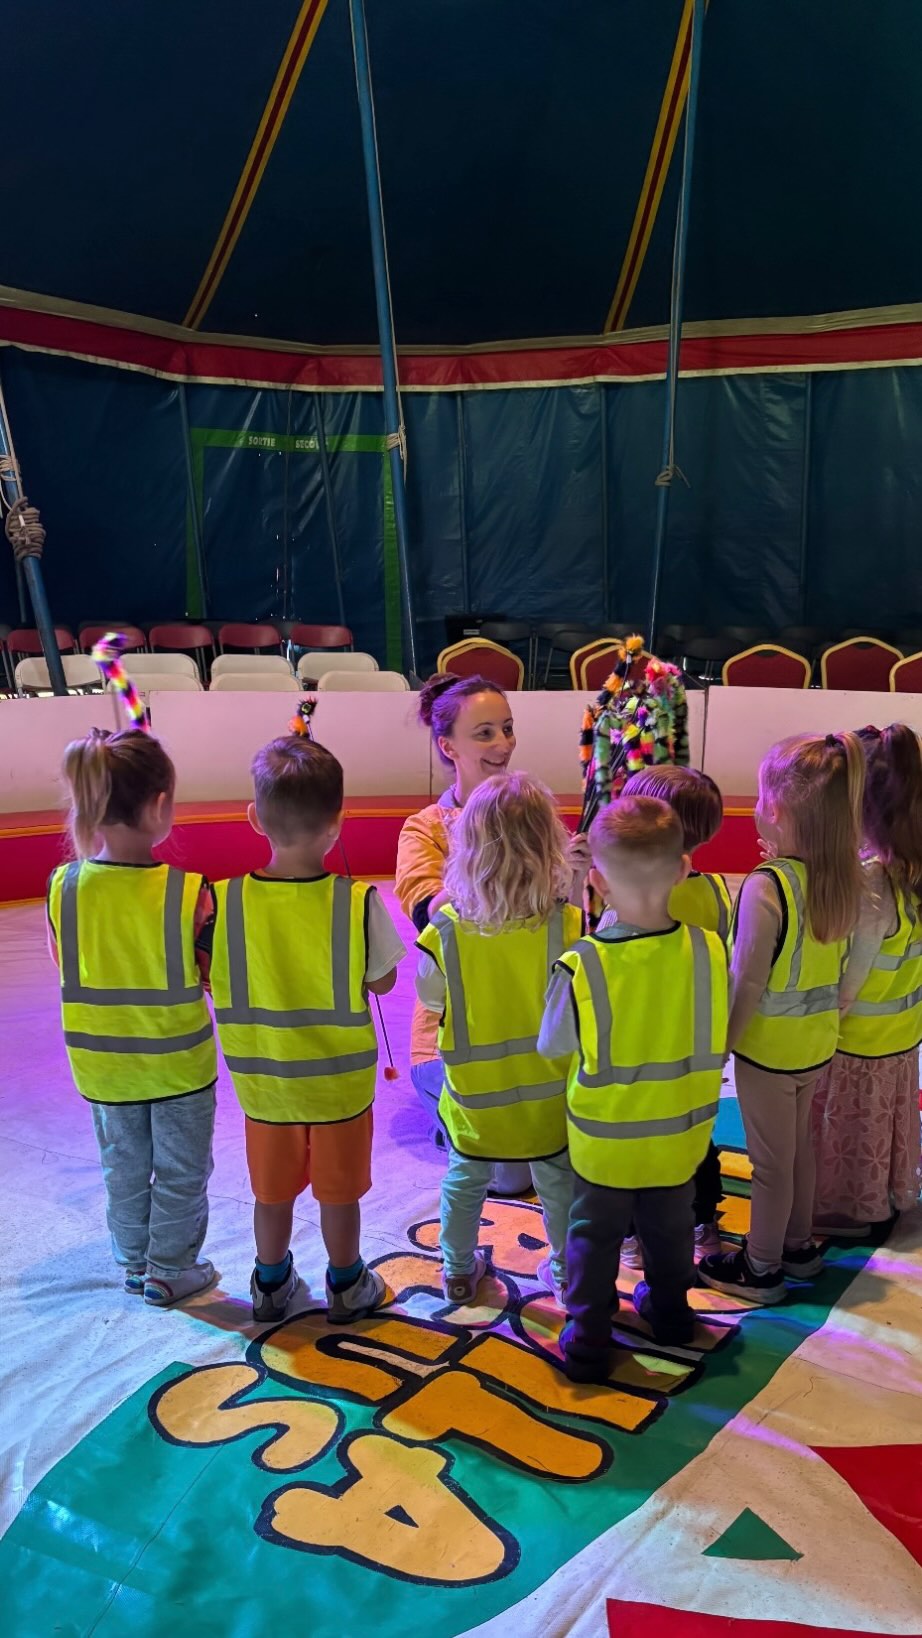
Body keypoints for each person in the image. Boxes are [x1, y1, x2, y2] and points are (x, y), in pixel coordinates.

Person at [208, 734, 405, 1324]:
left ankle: (270, 1284)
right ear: (338, 826)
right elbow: (384, 984)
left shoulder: (221, 903)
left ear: (253, 818)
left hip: (264, 1086)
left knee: (271, 1193)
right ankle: (347, 1284)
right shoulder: (358, 901)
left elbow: (209, 978)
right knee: (338, 1193)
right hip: (339, 1087)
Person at [539, 796, 728, 1378]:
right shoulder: (709, 949)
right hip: (682, 1138)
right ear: (683, 869)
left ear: (594, 881)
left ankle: (589, 1335)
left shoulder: (583, 964)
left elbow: (552, 1048)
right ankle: (671, 1314)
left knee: (593, 1239)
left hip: (605, 1145)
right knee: (670, 1232)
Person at [397, 672, 588, 1194]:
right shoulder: (424, 829)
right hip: (455, 1045)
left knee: (568, 1150)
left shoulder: (534, 816)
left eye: (506, 728)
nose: (503, 744)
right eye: (484, 733)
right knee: (509, 1177)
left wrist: (581, 876)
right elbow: (431, 913)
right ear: (447, 746)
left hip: (538, 1036)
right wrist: (503, 858)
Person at [47, 727, 217, 1306]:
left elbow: (67, 964)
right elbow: (212, 974)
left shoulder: (62, 888)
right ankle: (173, 1267)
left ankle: (134, 1264)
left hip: (103, 1068)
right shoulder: (189, 892)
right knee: (180, 1170)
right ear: (160, 804)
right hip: (178, 1068)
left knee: (123, 1165)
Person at [698, 731, 865, 1304]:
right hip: (817, 1045)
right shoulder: (844, 878)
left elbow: (746, 983)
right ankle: (797, 1246)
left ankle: (762, 1267)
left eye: (763, 798)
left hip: (768, 1050)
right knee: (798, 1150)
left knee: (769, 1163)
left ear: (780, 810)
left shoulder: (767, 888)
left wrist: (722, 1046)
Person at [416, 773, 582, 1304]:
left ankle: (458, 1270)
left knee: (465, 1179)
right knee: (557, 1183)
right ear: (548, 846)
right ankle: (563, 1268)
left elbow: (431, 999)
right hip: (548, 1090)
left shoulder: (442, 927)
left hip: (473, 1089)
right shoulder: (567, 923)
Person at [811, 724, 922, 1232]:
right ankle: (887, 1195)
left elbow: (853, 976)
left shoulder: (873, 881)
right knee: (883, 1126)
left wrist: (826, 1017)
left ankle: (848, 1210)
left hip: (858, 1044)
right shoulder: (911, 869)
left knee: (850, 1131)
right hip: (900, 1041)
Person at [621, 765, 731, 1261]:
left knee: (629, 1137)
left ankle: (630, 1232)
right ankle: (703, 1224)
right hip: (695, 1044)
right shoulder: (717, 892)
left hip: (640, 1041)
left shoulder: (633, 896)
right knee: (696, 1135)